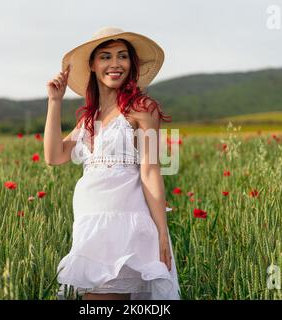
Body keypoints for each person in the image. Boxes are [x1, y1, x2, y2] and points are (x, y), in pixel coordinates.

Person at [44, 27, 180, 300]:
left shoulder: (142, 109)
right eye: (105, 57)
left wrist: (162, 231)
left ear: (132, 64)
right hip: (88, 224)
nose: (115, 64)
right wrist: (54, 102)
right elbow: (53, 156)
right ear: (93, 66)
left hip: (123, 225)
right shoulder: (88, 119)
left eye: (122, 56)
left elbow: (151, 171)